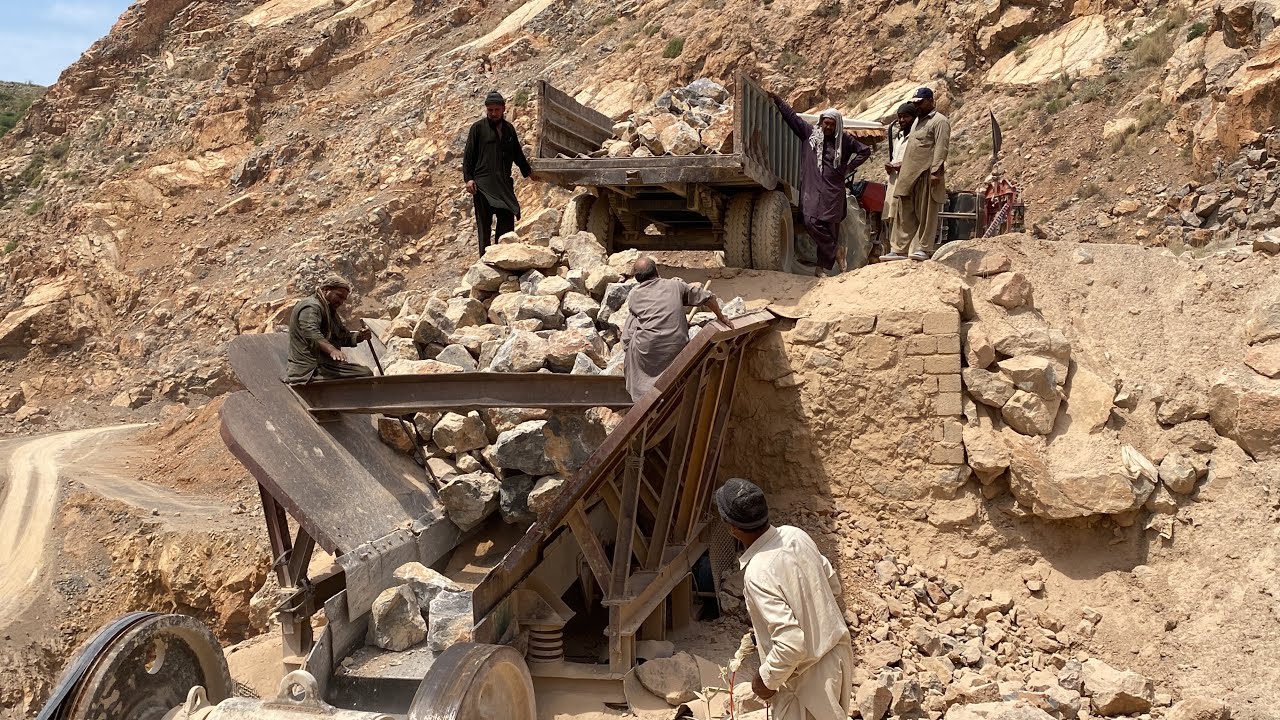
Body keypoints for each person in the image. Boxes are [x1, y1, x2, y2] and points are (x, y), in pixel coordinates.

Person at [714, 477, 853, 720]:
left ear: (732, 527)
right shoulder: (795, 535)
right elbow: (831, 585)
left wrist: (764, 681)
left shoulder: (758, 572)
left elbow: (791, 645)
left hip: (808, 683)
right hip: (837, 657)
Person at [767, 92, 871, 277]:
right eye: (826, 123)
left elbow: (864, 151)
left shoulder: (844, 140)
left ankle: (821, 268)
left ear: (837, 125)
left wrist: (848, 168)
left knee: (830, 228)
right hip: (812, 189)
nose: (828, 127)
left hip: (833, 191)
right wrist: (778, 100)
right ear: (821, 122)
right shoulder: (810, 134)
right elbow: (792, 118)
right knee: (810, 221)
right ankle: (837, 251)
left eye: (832, 124)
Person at [621, 257, 729, 400]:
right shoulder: (675, 285)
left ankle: (641, 394)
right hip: (676, 346)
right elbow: (709, 298)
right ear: (657, 271)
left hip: (647, 349)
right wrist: (722, 317)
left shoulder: (635, 295)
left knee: (632, 323)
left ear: (637, 278)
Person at [884, 87, 951, 262]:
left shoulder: (939, 121)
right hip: (909, 175)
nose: (917, 106)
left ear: (930, 101)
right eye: (915, 103)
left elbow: (941, 148)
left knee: (926, 213)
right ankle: (899, 250)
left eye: (920, 103)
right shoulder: (916, 122)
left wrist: (935, 173)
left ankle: (923, 248)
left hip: (926, 174)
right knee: (904, 213)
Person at [463, 90, 534, 254]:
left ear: (503, 109)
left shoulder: (509, 129)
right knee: (484, 226)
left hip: (503, 184)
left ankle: (503, 256)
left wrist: (529, 172)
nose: (493, 113)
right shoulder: (478, 128)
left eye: (496, 110)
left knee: (507, 219)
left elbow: (517, 154)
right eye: (490, 110)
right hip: (482, 185)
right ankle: (485, 260)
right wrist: (468, 179)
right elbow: (468, 156)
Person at [285, 275, 373, 383]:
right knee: (365, 373)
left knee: (364, 371)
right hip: (310, 369)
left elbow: (341, 336)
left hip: (325, 366)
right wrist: (332, 350)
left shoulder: (330, 311)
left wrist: (360, 336)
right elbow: (310, 332)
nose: (341, 302)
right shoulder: (311, 306)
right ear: (326, 290)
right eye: (339, 296)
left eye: (343, 299)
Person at [880, 103, 918, 251]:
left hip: (908, 182)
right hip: (894, 180)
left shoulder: (916, 137)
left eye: (905, 117)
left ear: (913, 118)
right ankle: (895, 248)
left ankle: (905, 250)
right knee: (893, 215)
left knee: (905, 216)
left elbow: (917, 159)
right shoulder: (899, 137)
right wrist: (890, 165)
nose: (902, 120)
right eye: (900, 117)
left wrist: (902, 165)